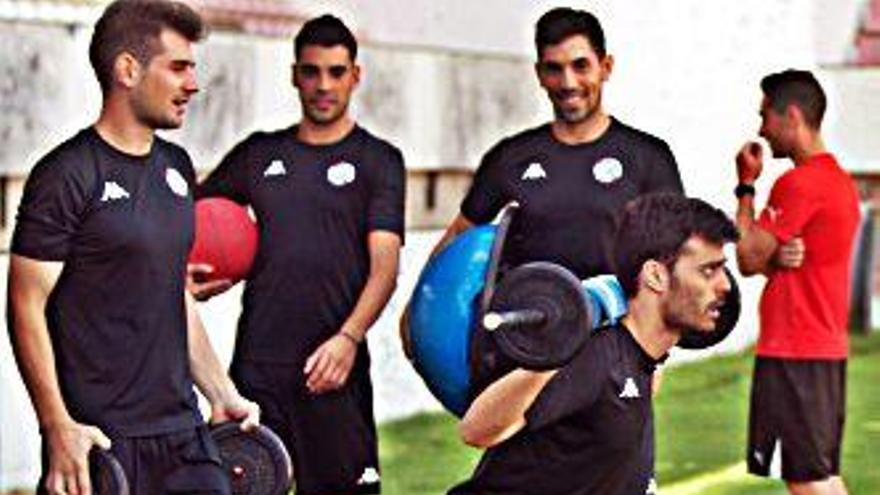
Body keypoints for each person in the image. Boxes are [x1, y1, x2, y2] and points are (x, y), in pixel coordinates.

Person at [7, 1, 260, 494]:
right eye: (179, 67)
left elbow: (171, 292)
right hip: (101, 441)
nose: (194, 84)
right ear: (128, 69)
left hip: (184, 435)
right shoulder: (65, 176)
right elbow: (24, 303)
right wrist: (56, 425)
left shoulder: (178, 167)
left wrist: (221, 392)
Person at [191, 14, 404, 495]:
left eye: (335, 72)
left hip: (334, 369)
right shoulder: (258, 155)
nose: (323, 85)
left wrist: (348, 339)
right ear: (294, 75)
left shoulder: (379, 161)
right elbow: (193, 224)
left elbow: (385, 267)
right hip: (257, 370)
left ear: (355, 75)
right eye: (311, 72)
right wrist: (193, 280)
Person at [447, 193, 738, 494]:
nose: (725, 285)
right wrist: (554, 351)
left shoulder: (647, 357)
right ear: (655, 275)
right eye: (708, 270)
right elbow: (476, 430)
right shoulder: (595, 355)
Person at [735, 69, 859, 495]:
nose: (761, 129)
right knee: (817, 474)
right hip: (818, 351)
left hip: (796, 351)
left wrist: (746, 185)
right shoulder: (838, 182)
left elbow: (747, 257)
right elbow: (779, 262)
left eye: (765, 115)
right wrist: (776, 259)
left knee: (807, 480)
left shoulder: (799, 184)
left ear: (791, 115)